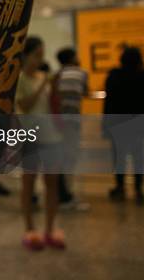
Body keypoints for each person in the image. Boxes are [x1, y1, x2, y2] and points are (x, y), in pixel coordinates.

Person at [15, 36, 65, 250]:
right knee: (29, 183)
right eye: (36, 55)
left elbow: (53, 106)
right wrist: (44, 83)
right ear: (26, 56)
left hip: (52, 137)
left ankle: (50, 228)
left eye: (41, 55)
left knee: (52, 183)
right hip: (30, 138)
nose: (40, 59)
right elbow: (25, 105)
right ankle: (29, 228)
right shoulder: (20, 79)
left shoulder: (45, 77)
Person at [104, 46, 144, 205]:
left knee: (119, 158)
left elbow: (108, 103)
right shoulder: (143, 76)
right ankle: (138, 189)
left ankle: (120, 187)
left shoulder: (114, 76)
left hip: (117, 124)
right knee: (138, 158)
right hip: (139, 125)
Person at [52, 47, 89, 211]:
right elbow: (85, 91)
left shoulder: (56, 75)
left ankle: (61, 194)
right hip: (72, 120)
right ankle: (66, 196)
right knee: (70, 158)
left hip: (57, 121)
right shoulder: (81, 73)